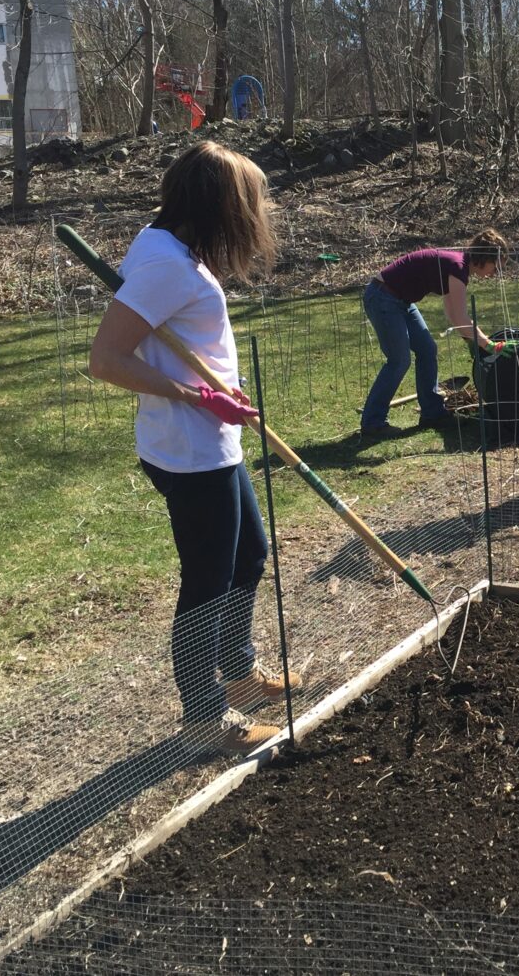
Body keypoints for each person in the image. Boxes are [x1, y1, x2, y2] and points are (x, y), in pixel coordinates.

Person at [89, 141, 299, 756]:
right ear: (217, 206)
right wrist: (196, 396)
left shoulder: (171, 249)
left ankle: (237, 675)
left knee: (249, 555)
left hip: (213, 438)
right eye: (248, 203)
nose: (254, 216)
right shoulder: (167, 266)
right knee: (207, 580)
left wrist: (214, 394)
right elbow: (106, 359)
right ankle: (204, 719)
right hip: (188, 449)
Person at [359, 229, 513, 438]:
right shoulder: (457, 267)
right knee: (399, 360)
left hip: (401, 301)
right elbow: (460, 316)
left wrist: (471, 340)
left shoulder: (459, 267)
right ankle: (373, 422)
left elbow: (452, 314)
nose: (494, 274)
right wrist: (489, 345)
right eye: (495, 268)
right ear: (486, 258)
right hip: (382, 297)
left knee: (427, 349)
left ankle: (432, 413)